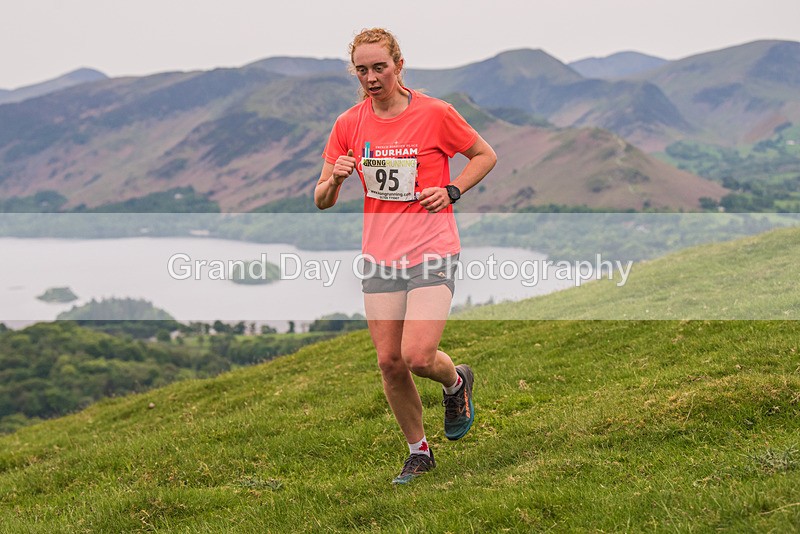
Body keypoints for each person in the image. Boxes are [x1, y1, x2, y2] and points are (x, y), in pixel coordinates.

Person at [314, 28, 496, 484]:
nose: (371, 78)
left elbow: (484, 155)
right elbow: (321, 199)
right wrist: (335, 179)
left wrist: (452, 189)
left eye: (380, 67)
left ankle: (455, 382)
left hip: (432, 248)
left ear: (399, 65)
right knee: (389, 362)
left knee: (417, 355)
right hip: (380, 257)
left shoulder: (435, 113)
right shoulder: (348, 124)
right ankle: (419, 452)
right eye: (362, 70)